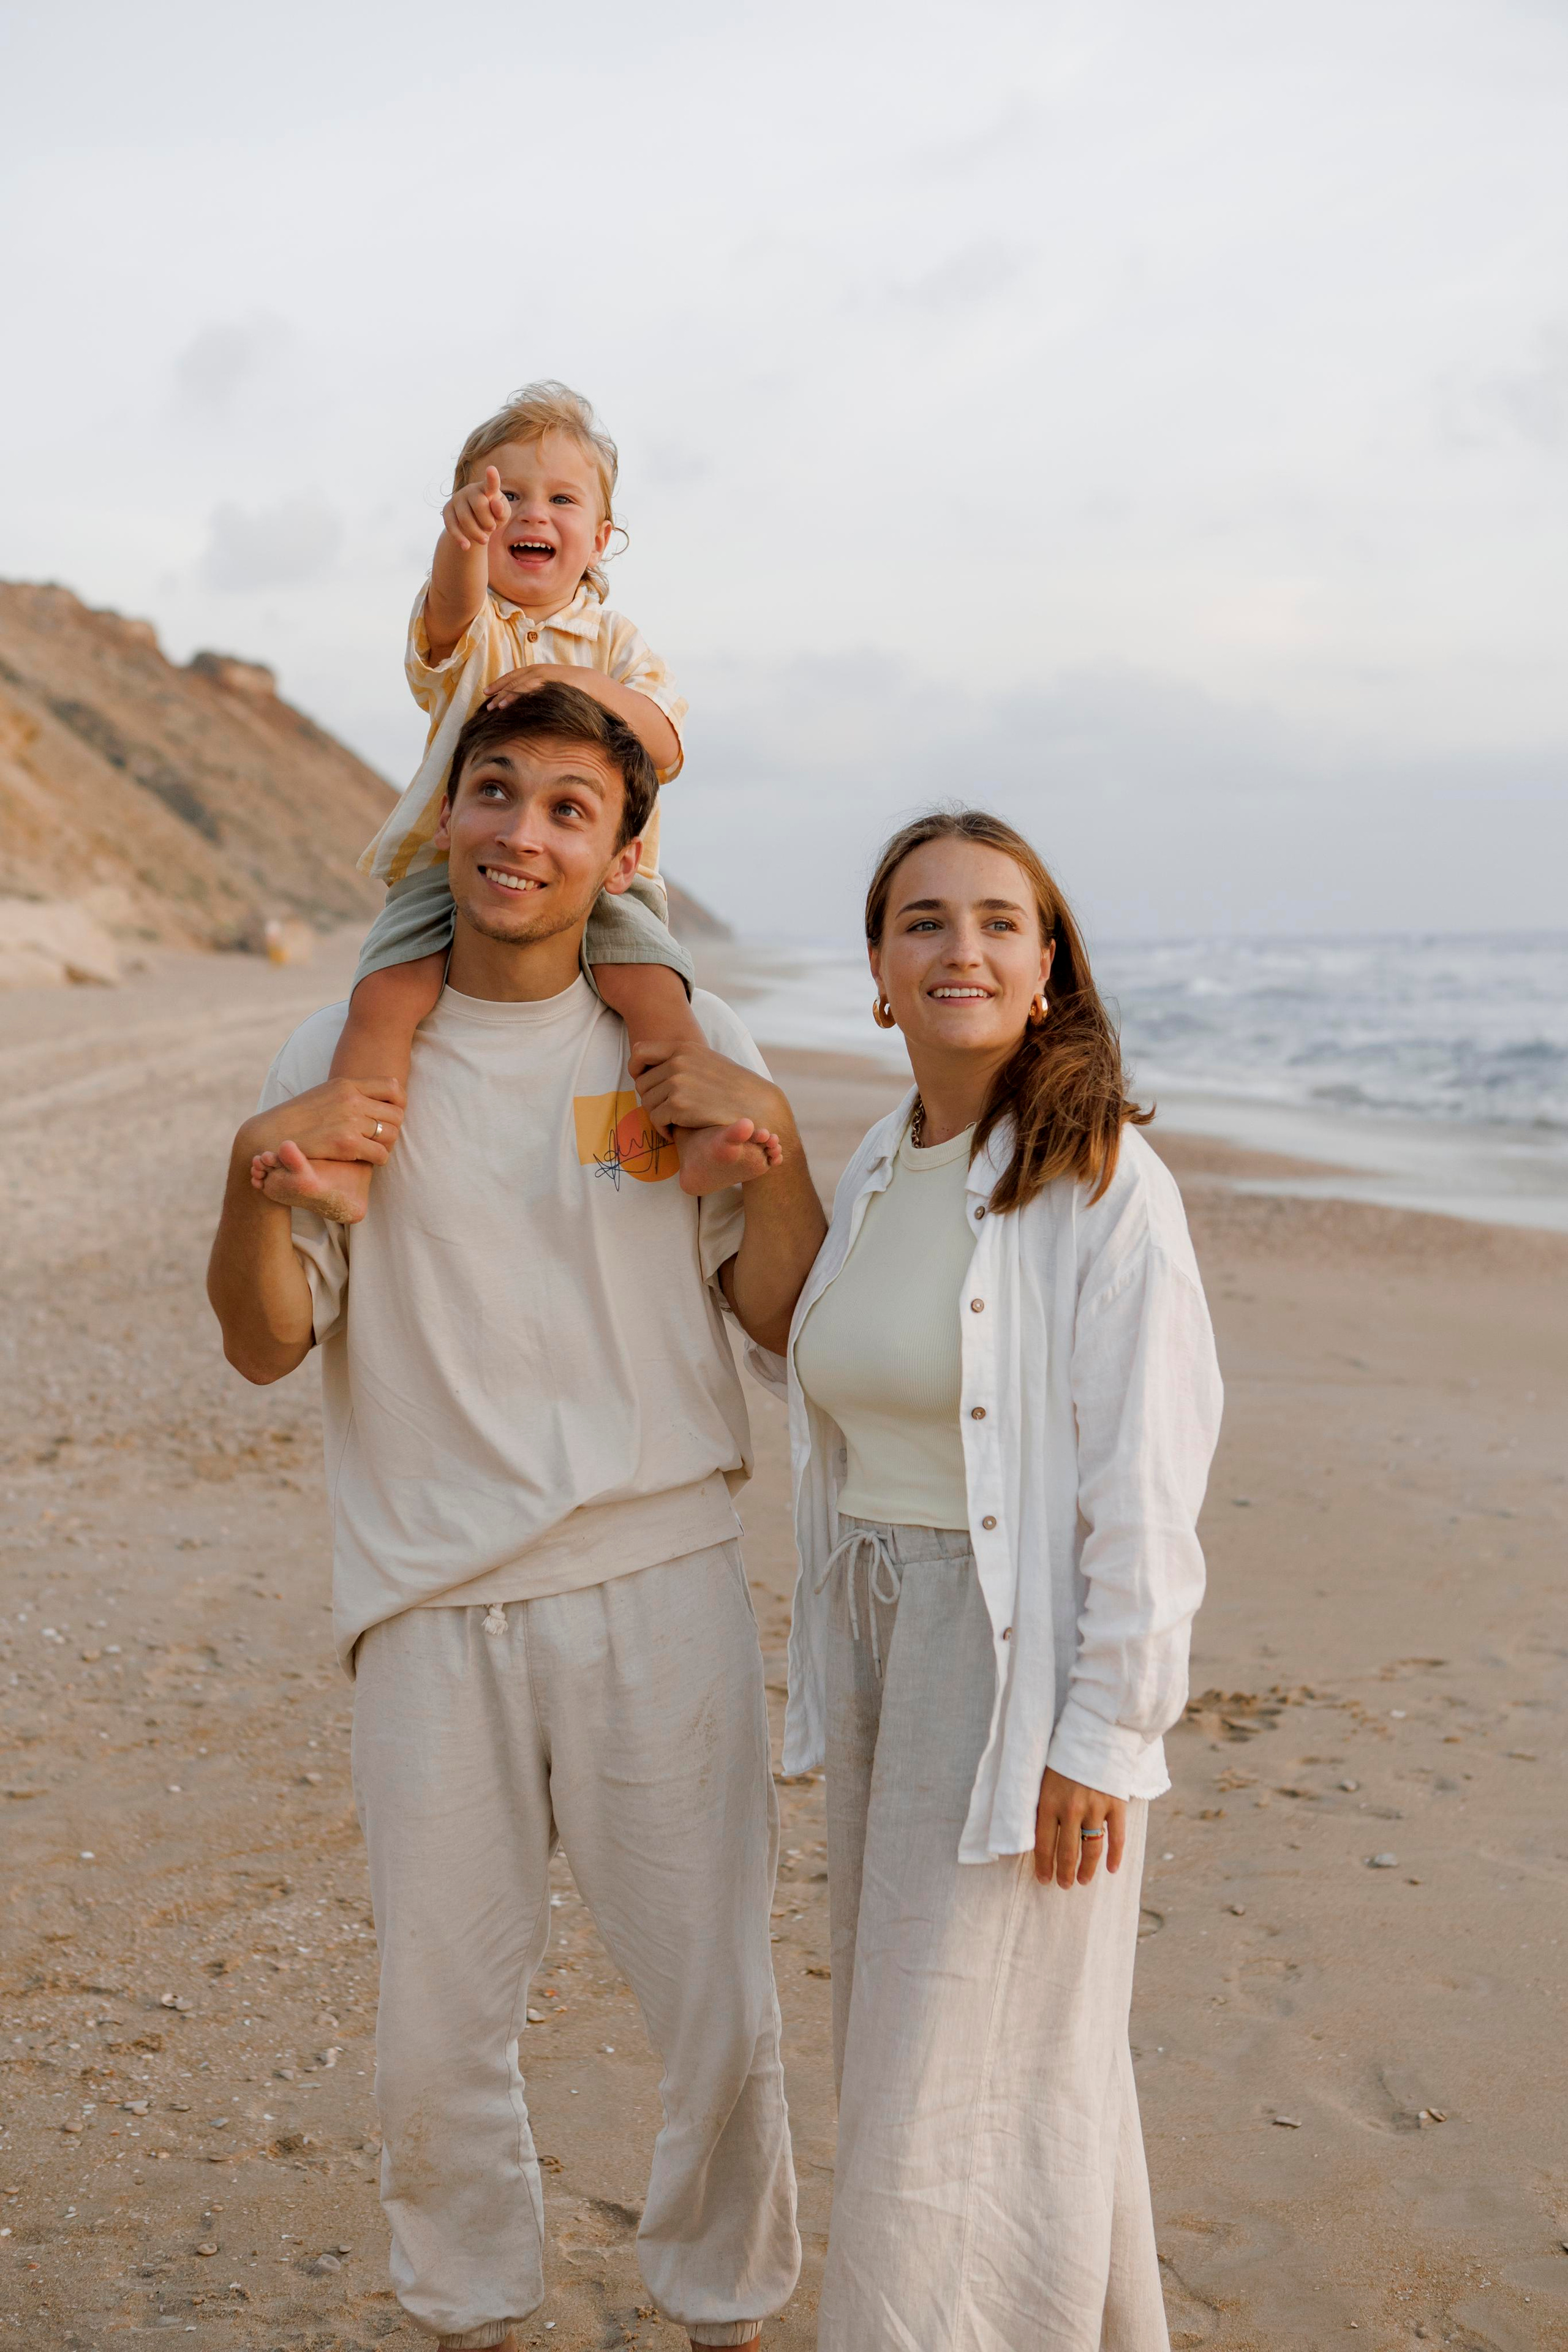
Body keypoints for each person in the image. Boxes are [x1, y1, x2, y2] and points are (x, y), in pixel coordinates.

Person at [207, 681, 827, 2352]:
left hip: (658, 1576)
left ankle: (723, 2308)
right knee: (437, 2030)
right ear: (446, 815)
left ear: (623, 857)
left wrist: (771, 1152)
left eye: (569, 808)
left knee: (717, 2009)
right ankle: (465, 2310)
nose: (522, 833)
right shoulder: (332, 1059)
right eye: (495, 792)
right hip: (425, 1601)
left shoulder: (683, 1043)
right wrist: (254, 1168)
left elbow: (781, 1316)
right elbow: (265, 1343)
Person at [772, 808, 1224, 2351]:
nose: (957, 947)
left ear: (1046, 973)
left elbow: (1147, 1489)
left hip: (1008, 1663)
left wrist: (1101, 1735)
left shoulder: (1100, 1182)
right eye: (921, 921)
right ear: (876, 975)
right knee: (993, 2054)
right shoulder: (880, 1159)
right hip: (883, 1639)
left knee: (935, 2079)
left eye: (995, 922)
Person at [251, 377, 764, 1225]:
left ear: (600, 539)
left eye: (561, 499)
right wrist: (459, 544)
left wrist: (570, 680)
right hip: (450, 865)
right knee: (384, 998)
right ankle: (348, 1162)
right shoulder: (472, 627)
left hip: (600, 880)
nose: (531, 513)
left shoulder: (614, 642)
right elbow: (448, 612)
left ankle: (696, 1132)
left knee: (656, 999)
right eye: (505, 498)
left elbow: (667, 744)